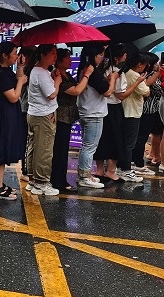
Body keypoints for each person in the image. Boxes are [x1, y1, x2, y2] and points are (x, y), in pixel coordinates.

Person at [49, 49, 93, 193]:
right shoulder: (57, 76)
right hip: (60, 117)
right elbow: (76, 91)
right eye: (67, 58)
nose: (70, 60)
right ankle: (58, 181)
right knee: (60, 151)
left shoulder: (66, 74)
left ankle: (60, 179)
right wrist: (87, 75)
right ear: (59, 60)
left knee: (63, 150)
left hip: (67, 117)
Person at [0, 42, 26, 199]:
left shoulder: (6, 70)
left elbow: (16, 78)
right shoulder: (0, 73)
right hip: (1, 116)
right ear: (4, 55)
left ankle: (0, 183)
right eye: (14, 53)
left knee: (4, 147)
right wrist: (21, 82)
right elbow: (13, 97)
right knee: (0, 149)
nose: (16, 55)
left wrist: (20, 66)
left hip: (7, 114)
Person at [75, 44, 118, 188]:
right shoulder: (91, 72)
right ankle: (84, 177)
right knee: (89, 146)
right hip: (93, 114)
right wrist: (113, 79)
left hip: (88, 111)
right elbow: (107, 92)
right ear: (93, 56)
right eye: (100, 54)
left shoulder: (85, 69)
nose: (102, 57)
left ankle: (84, 174)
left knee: (87, 145)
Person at [25, 44, 61, 196]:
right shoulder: (40, 72)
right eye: (52, 53)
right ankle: (41, 182)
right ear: (42, 55)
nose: (55, 56)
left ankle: (33, 179)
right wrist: (57, 81)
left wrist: (52, 77)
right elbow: (51, 94)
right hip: (43, 115)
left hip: (36, 113)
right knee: (44, 149)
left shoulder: (39, 71)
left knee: (35, 147)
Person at [119, 53, 160, 182]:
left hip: (130, 110)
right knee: (130, 143)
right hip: (132, 111)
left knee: (128, 141)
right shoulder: (135, 75)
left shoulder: (129, 73)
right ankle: (126, 169)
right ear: (140, 65)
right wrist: (141, 82)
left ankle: (123, 167)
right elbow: (146, 92)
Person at [94, 44, 128, 182]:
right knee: (115, 139)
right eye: (124, 54)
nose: (126, 56)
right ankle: (111, 171)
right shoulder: (117, 73)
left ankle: (99, 170)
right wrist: (136, 83)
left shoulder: (99, 70)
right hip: (114, 108)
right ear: (116, 58)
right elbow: (121, 95)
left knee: (102, 138)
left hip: (101, 107)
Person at [18, 45, 37, 181]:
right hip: (26, 109)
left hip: (30, 109)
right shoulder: (25, 71)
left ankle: (29, 168)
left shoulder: (33, 70)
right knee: (27, 140)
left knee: (31, 140)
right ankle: (25, 169)